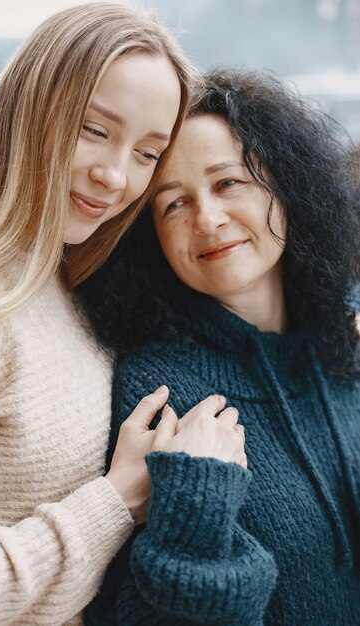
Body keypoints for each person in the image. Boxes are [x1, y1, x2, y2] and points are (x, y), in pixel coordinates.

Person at [0, 3, 208, 624]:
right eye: (95, 130)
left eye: (148, 154)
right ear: (29, 107)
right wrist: (117, 500)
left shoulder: (70, 281)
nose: (114, 177)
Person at [80, 68, 360, 625]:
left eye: (228, 182)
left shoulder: (343, 348)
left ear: (289, 186)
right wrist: (197, 498)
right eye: (172, 204)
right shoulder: (158, 390)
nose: (207, 218)